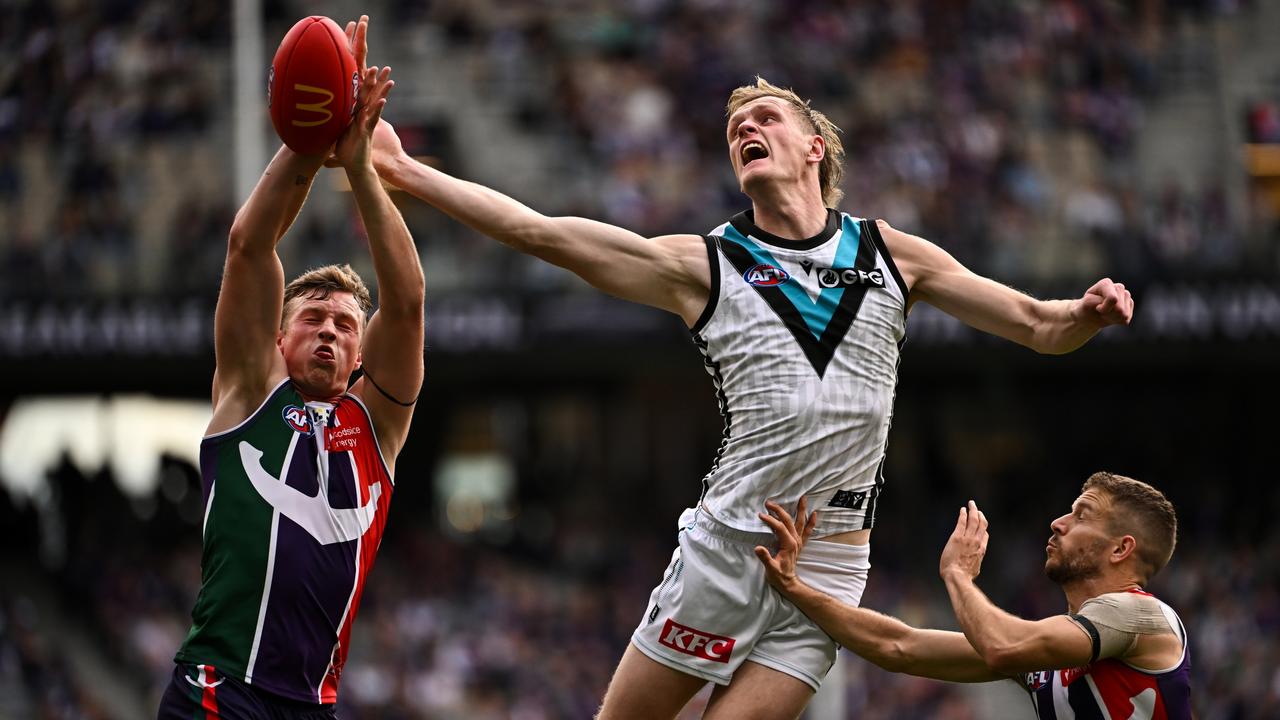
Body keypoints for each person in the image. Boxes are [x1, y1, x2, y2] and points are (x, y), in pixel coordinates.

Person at [368, 74, 1135, 719]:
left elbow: (1038, 325)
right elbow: (544, 235)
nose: (745, 128)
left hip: (832, 564)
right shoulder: (708, 263)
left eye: (765, 117)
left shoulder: (891, 253)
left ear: (815, 148)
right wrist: (407, 174)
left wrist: (1084, 315)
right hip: (730, 551)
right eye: (735, 127)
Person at [158, 18, 425, 720]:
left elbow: (406, 302)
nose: (331, 333)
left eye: (343, 325)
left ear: (361, 354)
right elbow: (250, 247)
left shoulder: (378, 423)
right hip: (218, 689)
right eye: (313, 319)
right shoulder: (249, 390)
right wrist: (311, 141)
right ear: (279, 340)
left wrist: (361, 164)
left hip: (312, 705)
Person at [755, 472, 1191, 718]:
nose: (1059, 522)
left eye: (1082, 514)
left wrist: (958, 577)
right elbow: (899, 646)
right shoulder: (1052, 652)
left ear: (1121, 548)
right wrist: (795, 587)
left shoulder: (1142, 616)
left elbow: (1004, 646)